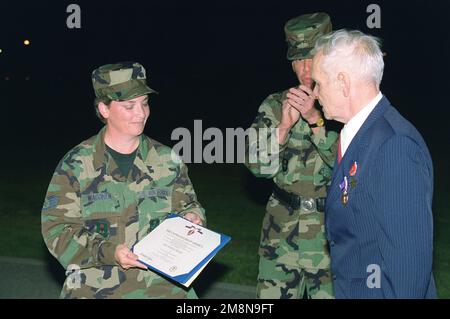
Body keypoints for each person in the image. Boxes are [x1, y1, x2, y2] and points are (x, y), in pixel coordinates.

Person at [41, 62, 206, 299]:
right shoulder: (77, 164)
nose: (141, 113)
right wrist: (108, 252)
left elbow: (189, 205)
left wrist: (193, 218)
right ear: (104, 109)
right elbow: (57, 230)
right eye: (129, 106)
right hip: (96, 290)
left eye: (144, 103)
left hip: (163, 290)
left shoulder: (166, 159)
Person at [311, 30, 436, 298]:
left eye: (318, 83)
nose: (315, 93)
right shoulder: (360, 134)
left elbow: (407, 274)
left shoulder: (395, 146)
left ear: (343, 82)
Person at [245, 12, 338, 299]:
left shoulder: (343, 107)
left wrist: (315, 121)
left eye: (311, 58)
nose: (305, 68)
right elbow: (257, 168)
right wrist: (283, 128)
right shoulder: (275, 105)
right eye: (298, 60)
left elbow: (351, 167)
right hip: (281, 236)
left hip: (331, 237)